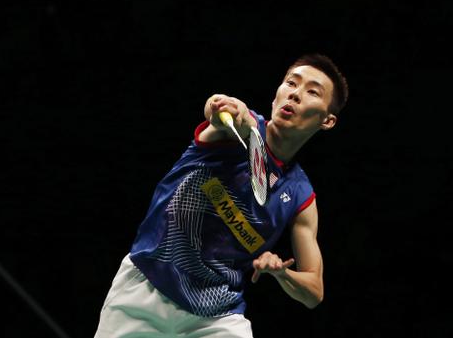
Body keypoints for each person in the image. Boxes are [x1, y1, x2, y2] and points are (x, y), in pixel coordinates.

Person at [94, 53, 349, 338]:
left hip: (214, 318)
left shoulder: (301, 198)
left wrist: (281, 273)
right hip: (145, 289)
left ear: (327, 121)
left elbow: (314, 291)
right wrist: (225, 106)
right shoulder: (236, 132)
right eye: (291, 83)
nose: (296, 94)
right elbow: (226, 114)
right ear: (277, 94)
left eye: (312, 91)